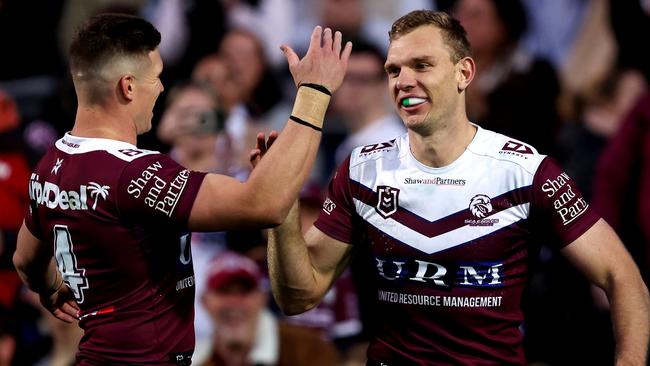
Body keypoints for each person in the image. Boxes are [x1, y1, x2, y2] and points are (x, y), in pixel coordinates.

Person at [260, 10, 650, 365]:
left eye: (422, 66)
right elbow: (299, 295)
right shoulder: (364, 169)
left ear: (464, 73)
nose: (404, 82)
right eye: (394, 70)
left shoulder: (525, 171)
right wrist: (282, 207)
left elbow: (623, 278)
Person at [12, 12, 351, 365]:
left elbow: (25, 260)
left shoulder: (51, 165)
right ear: (128, 87)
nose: (160, 87)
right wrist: (315, 92)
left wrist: (51, 287)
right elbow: (263, 204)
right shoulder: (134, 175)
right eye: (156, 77)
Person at [195, 250, 339, 366]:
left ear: (262, 299)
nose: (234, 302)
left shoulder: (308, 349)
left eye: (244, 291)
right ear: (204, 301)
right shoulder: (193, 360)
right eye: (223, 292)